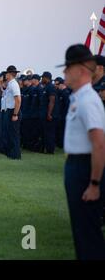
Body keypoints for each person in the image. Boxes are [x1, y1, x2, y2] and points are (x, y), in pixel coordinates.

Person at [57, 44, 105, 260]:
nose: (64, 73)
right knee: (80, 230)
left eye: (68, 68)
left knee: (88, 233)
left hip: (85, 168)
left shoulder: (88, 101)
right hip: (75, 166)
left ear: (81, 70)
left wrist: (94, 184)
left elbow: (99, 145)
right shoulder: (78, 98)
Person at [2, 66, 22, 160]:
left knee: (13, 134)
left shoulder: (14, 84)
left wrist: (15, 114)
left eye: (6, 73)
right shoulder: (10, 84)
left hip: (13, 111)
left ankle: (15, 155)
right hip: (9, 110)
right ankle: (11, 153)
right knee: (9, 133)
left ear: (9, 74)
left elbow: (18, 99)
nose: (5, 75)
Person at [39, 72, 58, 154]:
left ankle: (50, 150)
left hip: (50, 115)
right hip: (44, 114)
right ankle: (46, 148)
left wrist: (49, 114)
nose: (41, 79)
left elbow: (52, 101)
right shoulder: (46, 87)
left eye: (43, 77)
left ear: (47, 78)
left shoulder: (51, 87)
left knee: (49, 133)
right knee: (45, 133)